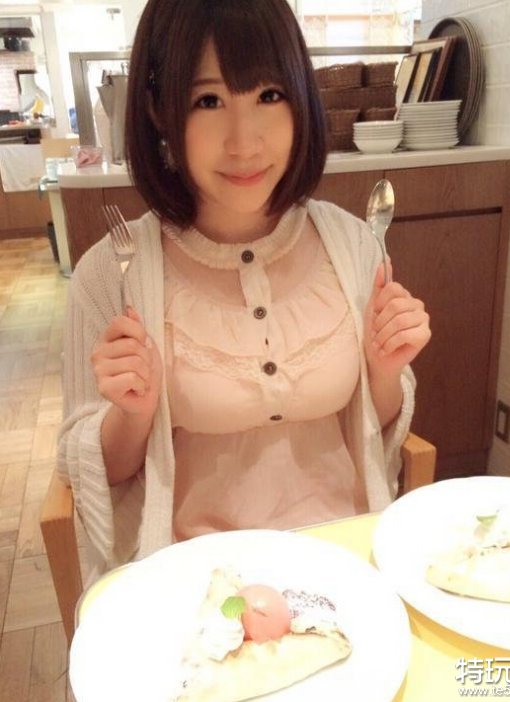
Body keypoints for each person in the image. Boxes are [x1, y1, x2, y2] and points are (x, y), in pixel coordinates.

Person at [58, 0, 431, 582]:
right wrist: (133, 415)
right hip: (197, 581)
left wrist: (384, 371)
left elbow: (371, 429)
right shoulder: (110, 273)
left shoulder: (355, 244)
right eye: (208, 101)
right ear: (159, 110)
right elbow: (96, 472)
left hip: (341, 562)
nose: (244, 142)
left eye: (269, 95)